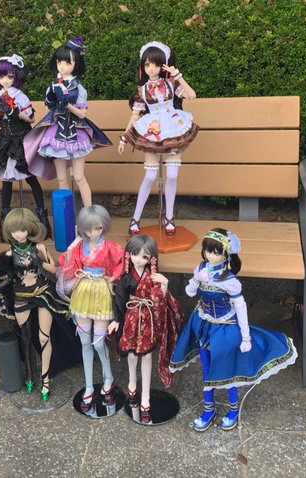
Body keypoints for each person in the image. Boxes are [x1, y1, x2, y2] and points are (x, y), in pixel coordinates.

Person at [170, 228, 298, 431]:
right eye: (207, 250)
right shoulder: (201, 268)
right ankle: (208, 408)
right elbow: (190, 292)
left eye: (215, 252)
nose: (210, 255)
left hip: (225, 329)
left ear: (226, 255)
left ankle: (233, 409)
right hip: (204, 324)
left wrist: (246, 337)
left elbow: (241, 308)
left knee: (227, 370)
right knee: (207, 369)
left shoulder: (229, 281)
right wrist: (196, 279)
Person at [0, 208, 79, 401]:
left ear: (29, 228)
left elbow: (53, 269)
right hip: (21, 295)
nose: (18, 234)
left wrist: (40, 262)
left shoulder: (39, 248)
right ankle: (29, 373)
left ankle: (45, 379)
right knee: (25, 338)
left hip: (42, 292)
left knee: (44, 337)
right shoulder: (9, 254)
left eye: (22, 229)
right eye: (13, 230)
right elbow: (7, 278)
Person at [118, 41, 198, 236]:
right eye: (147, 64)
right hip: (153, 129)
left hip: (173, 127)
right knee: (150, 176)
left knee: (172, 175)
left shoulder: (172, 84)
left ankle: (169, 217)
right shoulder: (142, 90)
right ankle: (136, 218)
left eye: (155, 64)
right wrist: (124, 137)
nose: (151, 68)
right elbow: (135, 115)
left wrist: (178, 75)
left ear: (163, 65)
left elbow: (192, 95)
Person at [24, 37, 111, 207]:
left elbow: (82, 114)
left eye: (67, 62)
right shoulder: (52, 87)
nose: (62, 66)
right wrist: (52, 101)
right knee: (62, 178)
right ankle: (66, 215)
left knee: (78, 176)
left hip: (76, 133)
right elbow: (48, 114)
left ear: (75, 64)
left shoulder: (79, 89)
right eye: (59, 62)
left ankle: (89, 214)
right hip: (56, 134)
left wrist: (67, 105)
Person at [108, 234, 183, 423]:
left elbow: (159, 301)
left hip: (148, 319)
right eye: (134, 254)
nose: (138, 259)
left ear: (151, 258)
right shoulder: (126, 277)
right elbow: (120, 299)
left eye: (144, 256)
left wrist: (164, 285)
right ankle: (132, 383)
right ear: (129, 254)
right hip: (131, 318)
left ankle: (146, 396)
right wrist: (117, 320)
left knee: (147, 355)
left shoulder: (154, 277)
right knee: (132, 355)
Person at [58, 205, 124, 409]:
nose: (92, 233)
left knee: (98, 343)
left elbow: (123, 262)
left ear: (104, 226)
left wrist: (113, 277)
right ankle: (88, 385)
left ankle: (108, 377)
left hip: (101, 292)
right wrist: (71, 249)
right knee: (85, 341)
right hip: (83, 291)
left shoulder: (111, 247)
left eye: (97, 228)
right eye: (88, 229)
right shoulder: (79, 246)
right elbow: (68, 266)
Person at [0, 54, 52, 240]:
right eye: (1, 76)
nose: (5, 80)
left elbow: (31, 118)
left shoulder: (20, 96)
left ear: (16, 76)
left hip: (21, 140)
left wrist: (14, 111)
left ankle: (42, 218)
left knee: (30, 177)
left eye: (9, 76)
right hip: (4, 141)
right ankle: (4, 222)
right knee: (6, 180)